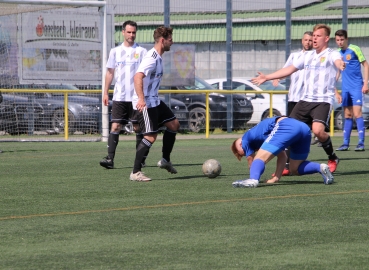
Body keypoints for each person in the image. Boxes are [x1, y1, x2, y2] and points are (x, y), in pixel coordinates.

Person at [252, 24, 346, 173]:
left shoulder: (331, 54)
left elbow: (337, 60)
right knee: (288, 130)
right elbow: (289, 69)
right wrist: (267, 77)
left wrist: (340, 63)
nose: (314, 39)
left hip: (322, 101)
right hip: (304, 100)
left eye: (318, 36)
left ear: (326, 38)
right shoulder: (307, 56)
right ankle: (286, 165)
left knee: (318, 130)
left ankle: (332, 157)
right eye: (313, 36)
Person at [130, 26, 180, 182]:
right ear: (163, 40)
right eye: (171, 40)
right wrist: (141, 99)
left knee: (174, 124)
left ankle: (165, 160)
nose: (173, 42)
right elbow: (137, 77)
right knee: (151, 136)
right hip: (146, 102)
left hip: (155, 101)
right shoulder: (151, 58)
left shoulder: (158, 57)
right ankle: (135, 173)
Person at [231, 116, 334, 188]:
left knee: (260, 158)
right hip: (303, 128)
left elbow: (251, 160)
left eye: (242, 152)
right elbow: (283, 156)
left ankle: (253, 180)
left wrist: (252, 176)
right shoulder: (262, 137)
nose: (246, 153)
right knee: (295, 168)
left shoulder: (245, 138)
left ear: (239, 144)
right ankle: (321, 168)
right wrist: (276, 177)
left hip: (285, 125)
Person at [99, 20, 147, 169]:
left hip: (135, 98)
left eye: (133, 32)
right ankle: (110, 159)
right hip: (120, 97)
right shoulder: (115, 51)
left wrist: (143, 96)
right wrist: (105, 92)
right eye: (129, 32)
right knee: (115, 126)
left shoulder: (142, 52)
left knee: (138, 128)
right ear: (123, 32)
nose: (131, 35)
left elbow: (146, 74)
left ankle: (140, 160)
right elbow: (110, 73)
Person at [272, 31, 313, 176]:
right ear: (302, 41)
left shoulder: (316, 57)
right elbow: (286, 70)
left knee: (303, 132)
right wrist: (277, 78)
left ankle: (295, 162)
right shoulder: (294, 56)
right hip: (294, 98)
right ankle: (288, 165)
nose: (308, 42)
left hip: (307, 99)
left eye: (310, 40)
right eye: (306, 40)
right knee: (291, 132)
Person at [334, 29, 369, 151]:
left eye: (342, 39)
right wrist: (334, 89)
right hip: (345, 88)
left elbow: (366, 65)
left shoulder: (355, 49)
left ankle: (361, 143)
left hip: (356, 86)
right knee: (347, 115)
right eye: (338, 40)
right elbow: (337, 72)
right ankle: (345, 143)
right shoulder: (337, 54)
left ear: (346, 39)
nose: (340, 42)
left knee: (357, 114)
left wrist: (365, 84)